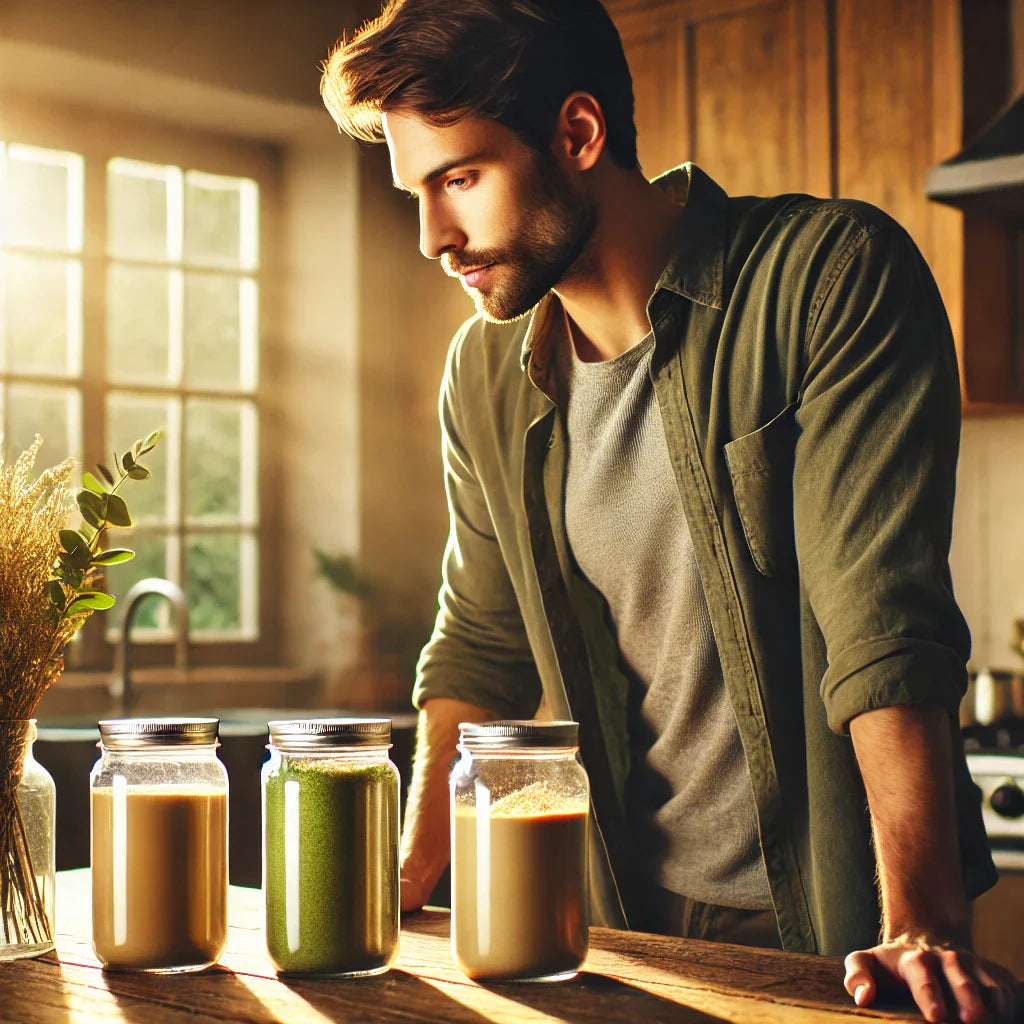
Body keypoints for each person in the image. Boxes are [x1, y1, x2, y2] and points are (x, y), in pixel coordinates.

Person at [320, 1, 1020, 1020]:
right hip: (603, 927)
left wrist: (920, 919)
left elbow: (881, 623)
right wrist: (408, 872)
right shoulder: (483, 372)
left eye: (459, 178)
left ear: (577, 134)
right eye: (413, 192)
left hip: (828, 930)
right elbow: (480, 636)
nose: (433, 236)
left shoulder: (825, 277)